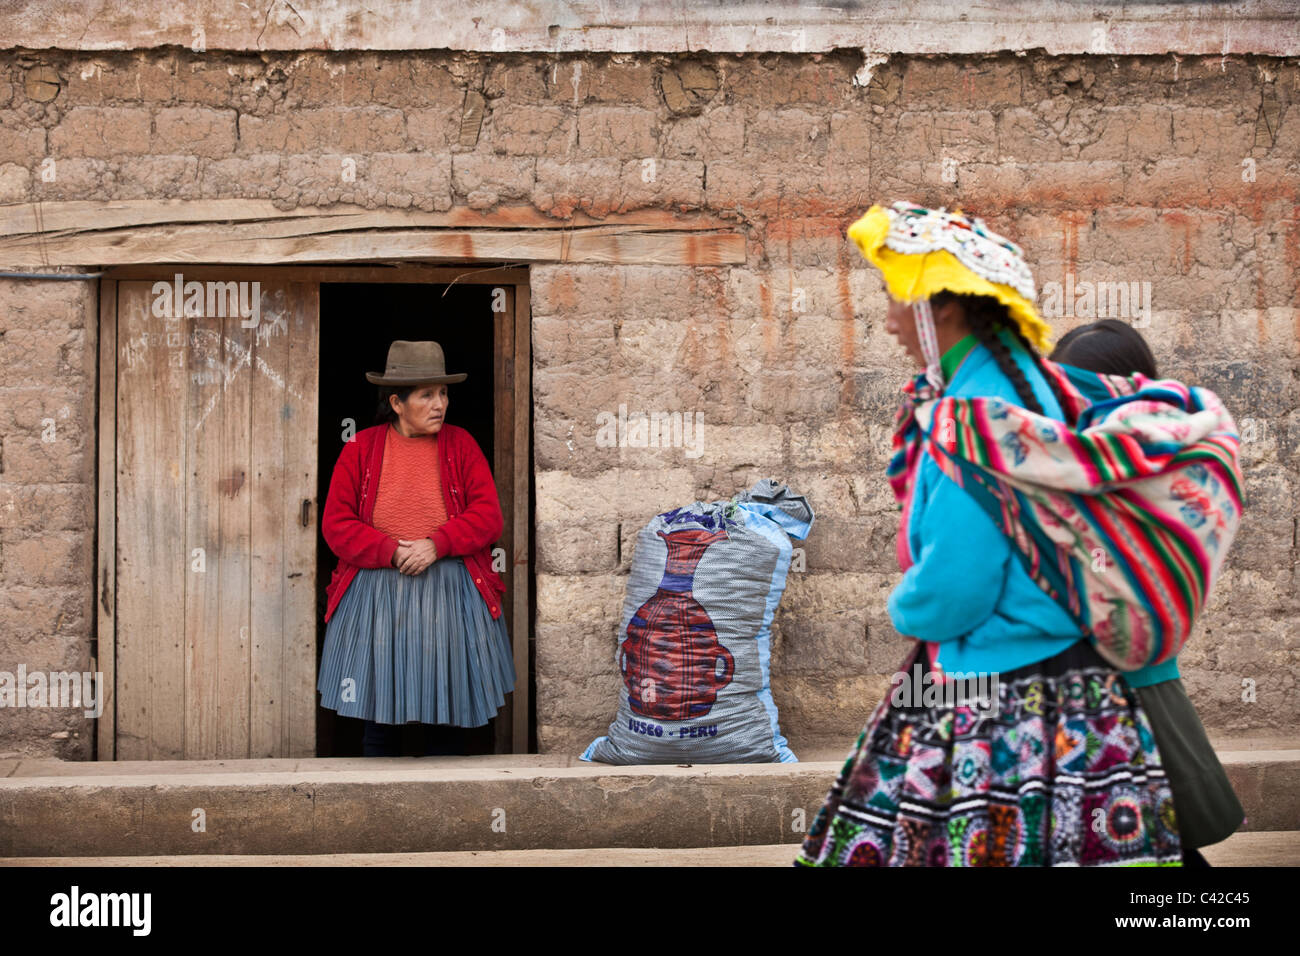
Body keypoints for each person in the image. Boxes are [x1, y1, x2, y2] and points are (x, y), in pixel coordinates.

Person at [795, 202, 1241, 866]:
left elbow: (957, 592)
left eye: (897, 299)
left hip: (1004, 700)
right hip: (1085, 694)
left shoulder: (973, 425)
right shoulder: (1031, 400)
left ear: (941, 308)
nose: (888, 320)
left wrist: (907, 608)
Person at [1049, 319, 1245, 866]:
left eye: (1075, 388)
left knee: (1150, 846)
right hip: (1106, 686)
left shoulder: (1142, 469)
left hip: (1128, 688)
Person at [317, 339, 514, 756]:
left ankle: (446, 813)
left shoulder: (461, 445)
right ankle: (379, 807)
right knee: (379, 715)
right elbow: (337, 525)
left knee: (448, 715)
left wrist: (436, 544)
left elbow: (488, 516)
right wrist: (390, 551)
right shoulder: (360, 449)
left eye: (443, 393)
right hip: (376, 596)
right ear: (397, 402)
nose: (440, 403)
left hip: (450, 594)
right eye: (427, 394)